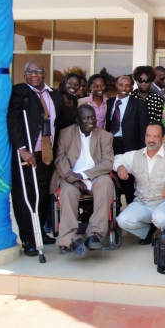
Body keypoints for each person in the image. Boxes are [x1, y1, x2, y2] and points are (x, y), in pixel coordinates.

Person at [8, 60, 62, 256]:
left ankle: (40, 232)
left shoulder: (54, 95)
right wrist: (22, 148)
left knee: (42, 194)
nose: (33, 75)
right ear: (24, 76)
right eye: (29, 72)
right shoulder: (21, 92)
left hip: (47, 155)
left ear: (44, 73)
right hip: (28, 153)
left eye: (37, 71)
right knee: (25, 197)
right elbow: (13, 120)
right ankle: (29, 239)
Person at [115, 123, 165, 245]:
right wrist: (120, 167)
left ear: (163, 138)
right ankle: (148, 232)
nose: (151, 140)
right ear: (145, 137)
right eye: (148, 136)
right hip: (142, 202)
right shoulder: (135, 155)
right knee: (122, 220)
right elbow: (117, 158)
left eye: (156, 136)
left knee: (161, 219)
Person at [52, 105, 114, 257]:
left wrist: (83, 175)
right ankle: (70, 238)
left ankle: (95, 234)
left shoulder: (105, 136)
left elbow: (107, 163)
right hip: (70, 175)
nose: (91, 121)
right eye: (86, 118)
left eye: (92, 117)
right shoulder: (65, 133)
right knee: (67, 191)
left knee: (106, 183)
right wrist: (72, 178)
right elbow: (60, 158)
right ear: (77, 120)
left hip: (95, 175)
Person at [105, 75, 149, 205]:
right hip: (111, 146)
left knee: (128, 181)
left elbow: (143, 131)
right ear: (116, 85)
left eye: (127, 85)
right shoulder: (109, 103)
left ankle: (132, 211)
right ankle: (115, 213)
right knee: (112, 179)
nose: (124, 88)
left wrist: (142, 152)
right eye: (121, 85)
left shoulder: (139, 105)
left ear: (131, 87)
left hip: (130, 146)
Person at [55, 73, 80, 146]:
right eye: (70, 83)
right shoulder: (57, 97)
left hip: (68, 138)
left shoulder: (74, 100)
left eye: (76, 84)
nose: (73, 86)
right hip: (56, 139)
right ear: (64, 83)